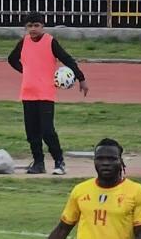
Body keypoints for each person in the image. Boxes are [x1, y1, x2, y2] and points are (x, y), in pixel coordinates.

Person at [8, 11, 90, 175]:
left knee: (47, 130)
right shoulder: (23, 43)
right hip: (28, 93)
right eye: (30, 26)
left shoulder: (50, 42)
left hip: (45, 94)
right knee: (32, 132)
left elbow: (67, 59)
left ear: (42, 26)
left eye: (36, 25)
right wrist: (25, 71)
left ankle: (59, 162)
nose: (33, 29)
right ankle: (38, 162)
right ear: (25, 28)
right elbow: (12, 59)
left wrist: (81, 78)